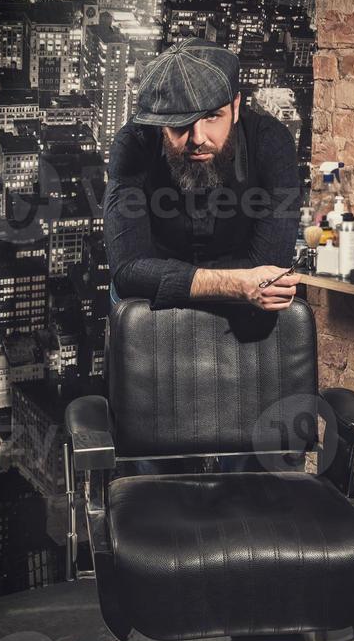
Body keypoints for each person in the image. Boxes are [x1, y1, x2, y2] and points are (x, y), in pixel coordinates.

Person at [102, 36, 305, 473]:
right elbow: (128, 271)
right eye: (178, 125)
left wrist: (174, 282)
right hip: (154, 325)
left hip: (244, 324)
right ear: (159, 124)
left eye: (211, 117)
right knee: (150, 474)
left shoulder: (271, 142)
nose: (197, 138)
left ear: (234, 105)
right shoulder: (133, 144)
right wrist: (236, 284)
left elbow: (269, 270)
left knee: (253, 473)